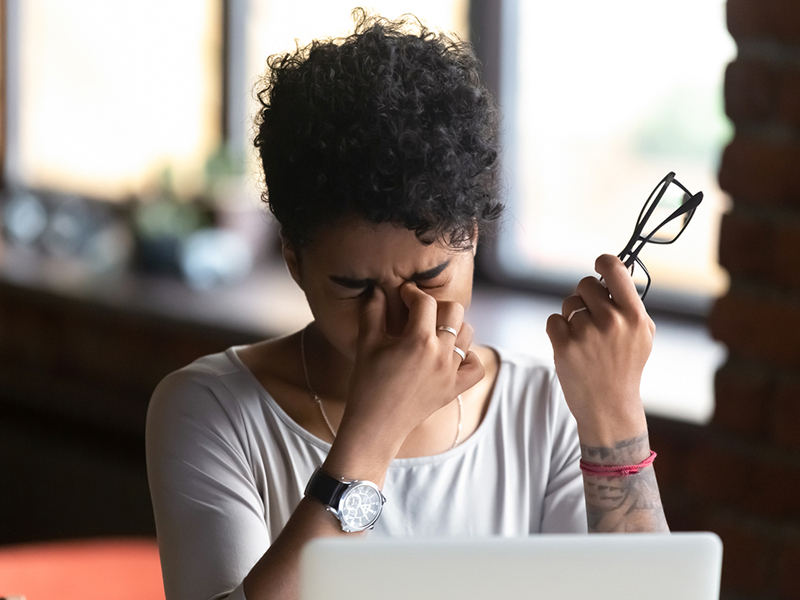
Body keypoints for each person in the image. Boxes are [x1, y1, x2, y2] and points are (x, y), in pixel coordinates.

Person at [146, 10, 668, 600]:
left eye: (432, 276)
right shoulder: (212, 411)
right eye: (356, 287)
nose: (402, 318)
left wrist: (616, 415)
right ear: (294, 261)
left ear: (471, 237)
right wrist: (373, 433)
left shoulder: (541, 409)